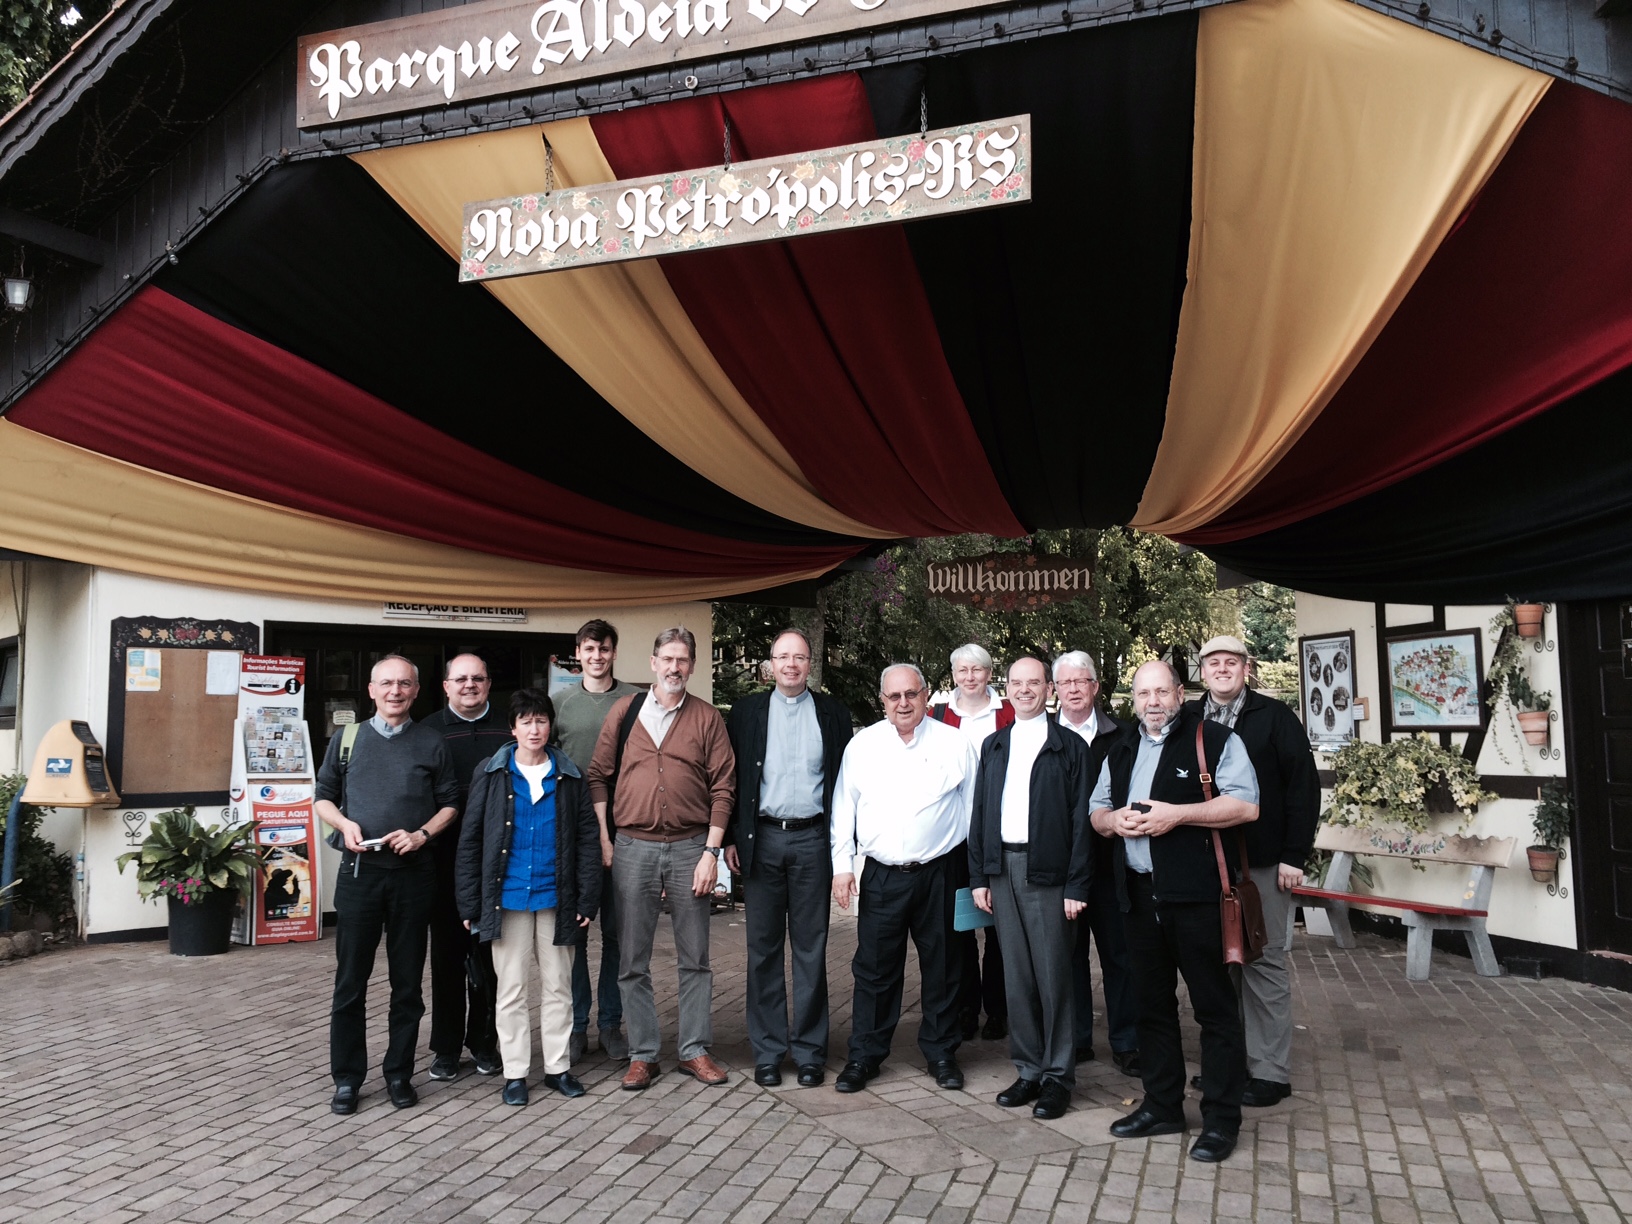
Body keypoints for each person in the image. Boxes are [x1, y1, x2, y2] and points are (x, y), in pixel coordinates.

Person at [1092, 660, 1259, 1163]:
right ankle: (1163, 1105)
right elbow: (1096, 811)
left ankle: (1221, 1121)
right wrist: (1112, 821)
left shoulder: (1214, 739)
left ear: (1179, 693)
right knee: (1152, 1008)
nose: (1153, 703)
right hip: (1138, 898)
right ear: (1134, 699)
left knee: (1215, 1010)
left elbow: (1246, 806)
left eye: (1161, 692)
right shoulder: (1120, 747)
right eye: (1143, 694)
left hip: (1199, 898)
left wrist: (1177, 816)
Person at [587, 627, 736, 1091]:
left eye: (683, 660)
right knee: (632, 958)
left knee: (696, 957)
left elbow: (724, 788)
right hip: (632, 847)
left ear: (691, 666)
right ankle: (643, 1054)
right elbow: (597, 776)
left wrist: (711, 853)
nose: (675, 667)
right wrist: (605, 840)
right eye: (667, 659)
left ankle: (694, 1049)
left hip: (693, 847)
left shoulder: (707, 718)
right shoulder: (625, 711)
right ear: (653, 663)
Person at [315, 654, 458, 1116]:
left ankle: (399, 1074)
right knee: (350, 983)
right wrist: (345, 824)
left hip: (414, 878)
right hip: (360, 876)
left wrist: (421, 835)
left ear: (417, 691)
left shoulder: (432, 743)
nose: (395, 691)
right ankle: (348, 1079)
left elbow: (450, 803)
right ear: (371, 691)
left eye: (405, 684)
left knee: (407, 985)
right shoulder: (347, 739)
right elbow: (323, 798)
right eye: (386, 684)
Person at [830, 664, 979, 1095]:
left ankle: (942, 1052)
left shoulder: (955, 743)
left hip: (941, 872)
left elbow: (972, 810)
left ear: (926, 695)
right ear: (882, 701)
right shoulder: (863, 745)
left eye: (911, 694)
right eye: (894, 697)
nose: (903, 703)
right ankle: (865, 1055)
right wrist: (842, 867)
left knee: (945, 967)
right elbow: (844, 809)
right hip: (881, 876)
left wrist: (972, 873)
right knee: (874, 969)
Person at [1187, 635, 1319, 1108]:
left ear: (1246, 668)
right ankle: (1230, 1065)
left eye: (1231, 662)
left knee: (1263, 962)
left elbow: (1302, 787)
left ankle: (1269, 1072)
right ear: (1202, 671)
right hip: (1206, 862)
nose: (1222, 669)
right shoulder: (1189, 718)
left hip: (1261, 862)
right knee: (1222, 965)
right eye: (1213, 663)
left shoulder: (1275, 717)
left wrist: (1294, 856)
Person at [456, 689, 601, 1105]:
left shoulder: (570, 775)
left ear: (550, 726)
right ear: (513, 727)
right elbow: (471, 841)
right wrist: (469, 903)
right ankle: (516, 1073)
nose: (534, 729)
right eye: (526, 721)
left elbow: (588, 841)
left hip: (557, 898)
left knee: (559, 987)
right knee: (512, 989)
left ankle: (558, 1069)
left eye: (541, 720)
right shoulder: (492, 772)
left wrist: (587, 900)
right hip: (508, 899)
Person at [725, 628, 852, 1088]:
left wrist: (844, 853)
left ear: (810, 663)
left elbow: (845, 785)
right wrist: (731, 840)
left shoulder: (833, 713)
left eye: (800, 657)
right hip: (762, 841)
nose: (791, 665)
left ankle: (811, 1051)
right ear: (770, 663)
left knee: (811, 949)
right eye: (783, 657)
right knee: (762, 950)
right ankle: (768, 1051)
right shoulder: (746, 712)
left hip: (813, 841)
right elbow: (732, 779)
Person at [968, 656, 1092, 1121]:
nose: (1025, 690)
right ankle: (1028, 1069)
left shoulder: (1069, 747)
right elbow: (981, 813)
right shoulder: (994, 745)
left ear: (1048, 689)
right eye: (1016, 683)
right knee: (1016, 977)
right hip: (1001, 871)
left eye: (1034, 683)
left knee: (1054, 977)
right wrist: (980, 875)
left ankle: (1059, 1076)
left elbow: (1082, 823)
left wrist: (1076, 884)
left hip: (1049, 876)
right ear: (1007, 689)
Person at [419, 652, 511, 1082]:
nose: (469, 685)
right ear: (446, 685)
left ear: (489, 683)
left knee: (493, 957)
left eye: (478, 678)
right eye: (461, 679)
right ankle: (445, 1047)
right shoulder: (427, 732)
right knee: (448, 958)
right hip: (442, 863)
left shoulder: (509, 727)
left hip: (499, 863)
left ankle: (486, 1043)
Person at [553, 619, 640, 1065]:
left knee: (618, 937)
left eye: (604, 648)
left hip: (626, 830)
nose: (597, 656)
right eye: (590, 648)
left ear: (613, 651)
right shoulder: (559, 704)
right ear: (579, 652)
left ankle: (611, 1025)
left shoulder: (634, 701)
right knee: (575, 935)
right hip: (572, 835)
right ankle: (576, 1026)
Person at [1053, 650, 1140, 1078]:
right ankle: (1078, 1039)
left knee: (1119, 956)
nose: (1073, 689)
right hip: (1063, 871)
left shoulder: (1124, 737)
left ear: (1095, 688)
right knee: (1068, 959)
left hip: (1111, 867)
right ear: (1056, 690)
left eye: (1080, 681)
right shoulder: (1043, 738)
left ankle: (1127, 1041)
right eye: (1065, 683)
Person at [930, 643, 1012, 1041]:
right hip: (955, 836)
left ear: (989, 672)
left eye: (977, 669)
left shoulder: (1010, 712)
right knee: (959, 926)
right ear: (954, 674)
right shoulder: (938, 715)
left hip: (1000, 832)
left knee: (1000, 925)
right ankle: (965, 1008)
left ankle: (999, 1009)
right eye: (962, 670)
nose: (970, 677)